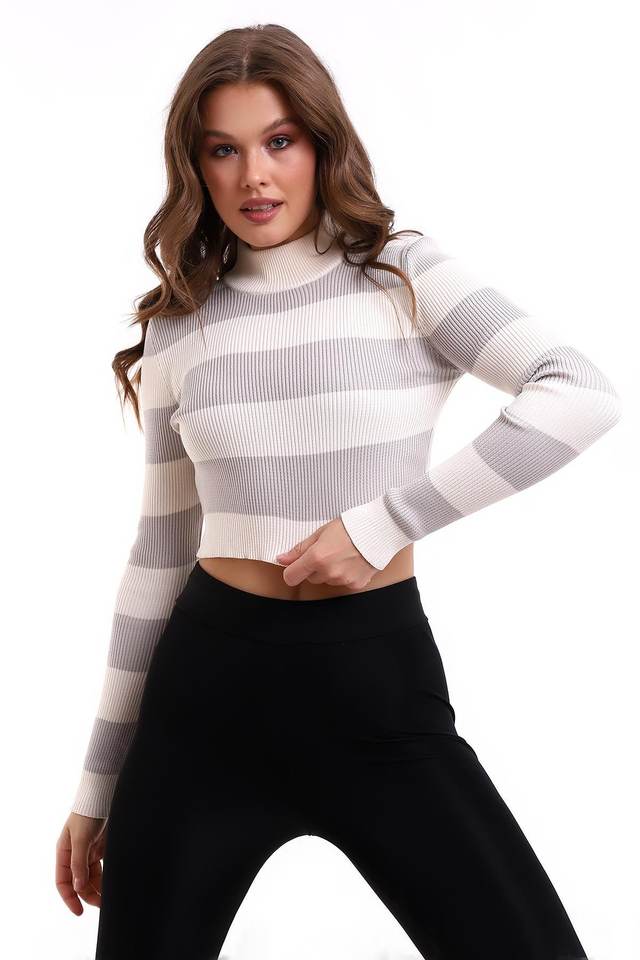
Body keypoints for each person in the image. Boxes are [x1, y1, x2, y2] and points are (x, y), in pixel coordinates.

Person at [55, 23, 621, 960]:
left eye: (279, 141)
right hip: (204, 701)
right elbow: (157, 556)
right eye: (223, 150)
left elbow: (580, 392)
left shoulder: (401, 272)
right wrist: (96, 784)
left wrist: (390, 521)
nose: (255, 177)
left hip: (376, 691)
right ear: (194, 167)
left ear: (321, 142)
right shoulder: (182, 325)